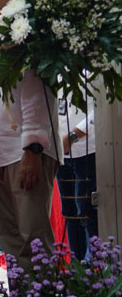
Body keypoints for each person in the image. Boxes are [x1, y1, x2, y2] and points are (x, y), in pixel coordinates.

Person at [0, 0, 62, 273]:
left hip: (24, 150)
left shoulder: (25, 26)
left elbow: (35, 90)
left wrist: (33, 148)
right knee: (9, 240)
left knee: (33, 238)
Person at [58, 99, 96, 259]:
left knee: (87, 212)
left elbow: (99, 111)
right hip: (61, 154)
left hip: (88, 151)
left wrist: (72, 137)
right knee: (69, 213)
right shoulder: (54, 74)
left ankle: (97, 270)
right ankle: (77, 270)